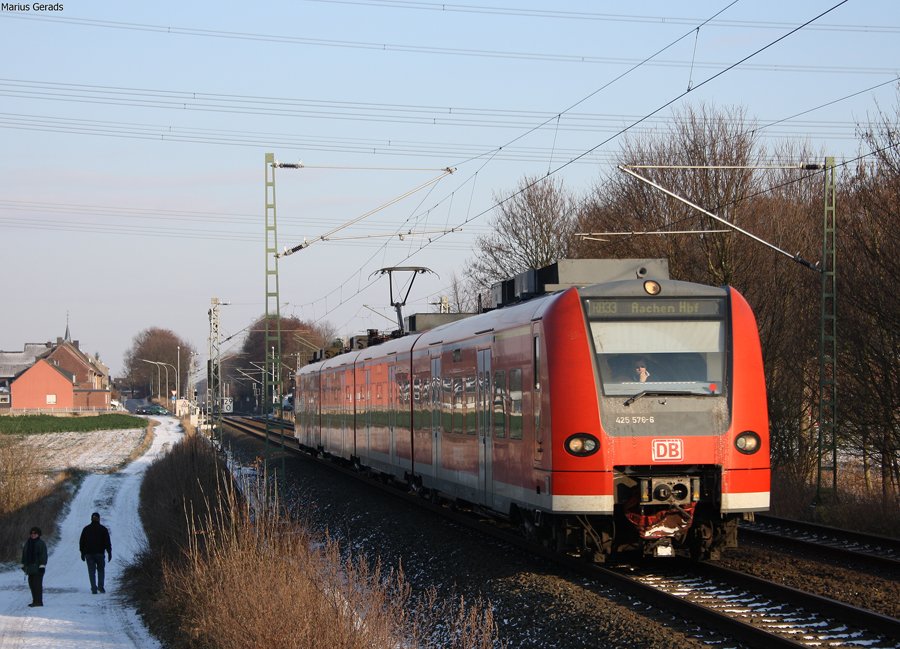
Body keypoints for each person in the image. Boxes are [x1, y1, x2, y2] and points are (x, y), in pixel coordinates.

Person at [79, 512, 112, 594]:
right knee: (101, 570)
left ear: (91, 519)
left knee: (91, 572)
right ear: (99, 519)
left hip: (89, 554)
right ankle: (100, 587)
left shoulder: (86, 529)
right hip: (100, 554)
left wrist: (82, 553)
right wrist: (109, 552)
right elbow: (107, 542)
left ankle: (94, 588)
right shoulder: (103, 529)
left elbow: (81, 542)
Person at [21, 526, 47, 607]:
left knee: (37, 585)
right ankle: (35, 601)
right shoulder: (28, 543)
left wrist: (42, 566)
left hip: (38, 568)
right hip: (30, 568)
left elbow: (43, 555)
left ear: (38, 534)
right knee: (32, 584)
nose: (33, 535)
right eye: (31, 533)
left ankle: (38, 602)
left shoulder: (41, 543)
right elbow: (24, 554)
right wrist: (23, 565)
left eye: (35, 533)